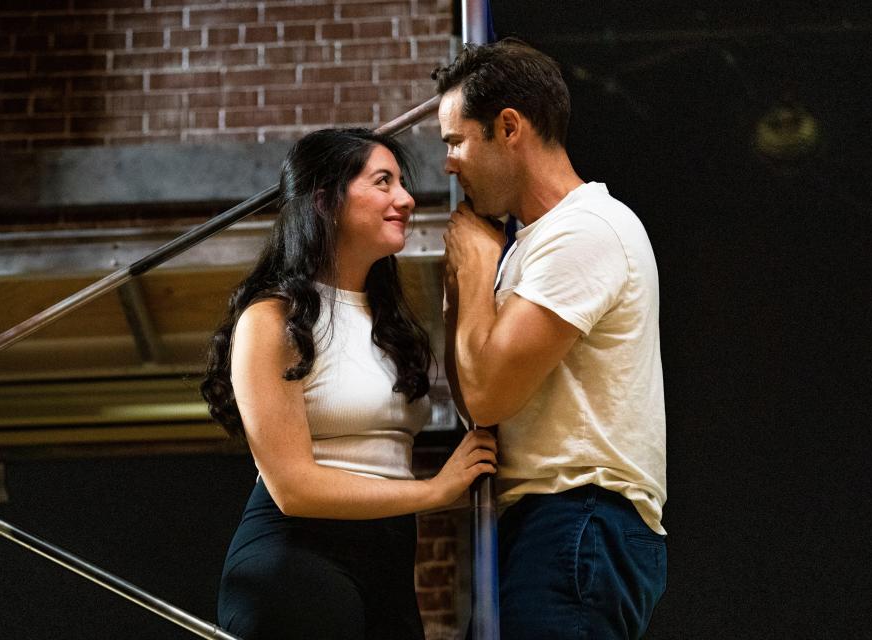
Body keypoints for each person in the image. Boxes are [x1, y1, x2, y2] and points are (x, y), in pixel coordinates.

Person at [201, 128, 497, 640]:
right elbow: (293, 488)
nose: (405, 199)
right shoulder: (271, 319)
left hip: (388, 560)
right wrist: (434, 491)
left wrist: (464, 292)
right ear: (325, 200)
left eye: (402, 183)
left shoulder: (391, 322)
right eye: (383, 182)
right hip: (297, 557)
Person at [433, 39, 667, 638]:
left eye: (455, 140)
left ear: (509, 127)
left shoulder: (585, 230)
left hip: (579, 518)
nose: (449, 163)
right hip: (547, 522)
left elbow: (486, 396)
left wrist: (478, 270)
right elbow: (473, 400)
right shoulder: (531, 244)